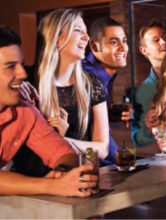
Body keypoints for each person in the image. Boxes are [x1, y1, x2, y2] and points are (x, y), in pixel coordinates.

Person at [0, 25, 98, 197]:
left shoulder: (24, 110)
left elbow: (62, 152)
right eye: (10, 66)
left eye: (21, 64)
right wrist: (49, 186)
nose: (23, 73)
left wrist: (63, 173)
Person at [12, 8, 110, 177]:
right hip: (31, 184)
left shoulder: (92, 84)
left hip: (75, 179)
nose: (87, 38)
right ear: (56, 39)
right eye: (78, 30)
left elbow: (102, 149)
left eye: (86, 32)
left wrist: (61, 141)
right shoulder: (26, 82)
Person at [83, 17, 126, 162]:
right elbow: (99, 139)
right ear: (94, 47)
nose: (123, 47)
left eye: (124, 41)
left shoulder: (104, 74)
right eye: (114, 42)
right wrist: (123, 159)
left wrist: (113, 113)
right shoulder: (90, 77)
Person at [131, 20, 166, 147]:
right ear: (144, 50)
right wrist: (148, 128)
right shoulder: (142, 92)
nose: (163, 42)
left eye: (165, 37)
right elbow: (138, 140)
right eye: (156, 40)